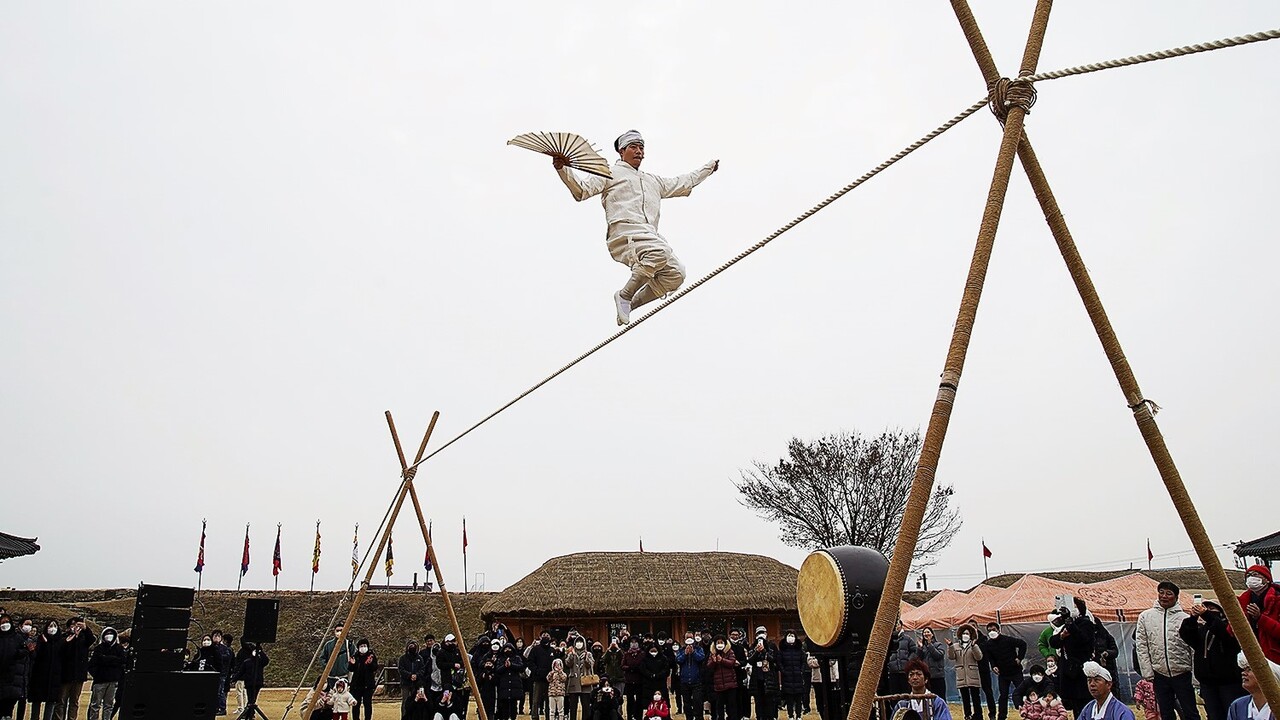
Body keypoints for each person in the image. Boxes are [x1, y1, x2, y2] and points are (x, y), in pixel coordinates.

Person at [551, 129, 720, 325]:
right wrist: (563, 169)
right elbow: (582, 190)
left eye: (641, 147)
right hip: (624, 233)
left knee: (676, 274)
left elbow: (682, 182)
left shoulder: (652, 181)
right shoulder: (609, 173)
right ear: (622, 151)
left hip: (649, 235)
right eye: (633, 147)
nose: (639, 151)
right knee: (660, 252)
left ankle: (629, 303)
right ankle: (625, 295)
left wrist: (707, 169)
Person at [1137, 581, 1198, 720]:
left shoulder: (1185, 618)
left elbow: (1193, 648)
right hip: (1159, 673)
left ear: (1176, 597)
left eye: (1169, 593)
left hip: (1183, 673)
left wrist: (1195, 676)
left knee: (1190, 712)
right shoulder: (1145, 617)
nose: (1164, 596)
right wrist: (1148, 672)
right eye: (1161, 592)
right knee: (1166, 713)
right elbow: (1142, 646)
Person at [1180, 600, 1246, 720]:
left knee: (1231, 714)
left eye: (1212, 608)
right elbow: (1187, 635)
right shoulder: (1204, 629)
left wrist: (1206, 615)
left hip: (1229, 682)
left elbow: (1224, 634)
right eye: (1206, 608)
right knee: (1214, 715)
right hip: (1207, 682)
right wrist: (1192, 618)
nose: (1208, 610)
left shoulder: (1231, 627)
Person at [1050, 600, 1101, 717]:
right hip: (1068, 669)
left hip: (1080, 668)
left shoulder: (1086, 623)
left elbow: (1083, 639)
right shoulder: (1065, 625)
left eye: (1074, 607)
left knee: (1084, 700)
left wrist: (1071, 624)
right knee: (1074, 703)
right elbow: (1053, 642)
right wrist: (1062, 636)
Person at [1235, 566, 1280, 664]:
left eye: (1255, 575)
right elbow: (1231, 632)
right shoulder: (1243, 601)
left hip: (1274, 657)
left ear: (1267, 579)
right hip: (1251, 656)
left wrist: (1260, 618)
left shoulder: (1277, 600)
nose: (1251, 578)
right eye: (1248, 575)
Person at [982, 622, 1026, 720]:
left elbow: (1023, 644)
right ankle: (1001, 717)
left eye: (993, 629)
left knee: (1021, 692)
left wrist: (1019, 658)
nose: (991, 632)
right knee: (1003, 696)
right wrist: (993, 666)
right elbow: (990, 657)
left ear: (998, 630)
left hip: (1015, 671)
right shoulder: (988, 644)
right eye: (989, 630)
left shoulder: (1008, 640)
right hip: (1003, 674)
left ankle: (1028, 713)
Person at [55, 616, 95, 720]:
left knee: (74, 701)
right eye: (73, 625)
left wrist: (86, 628)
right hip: (65, 675)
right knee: (61, 700)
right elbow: (61, 652)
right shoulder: (64, 638)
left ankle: (72, 718)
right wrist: (70, 640)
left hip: (78, 675)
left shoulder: (83, 638)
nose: (75, 627)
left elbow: (91, 639)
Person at [1227, 652, 1280, 720]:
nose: (1243, 673)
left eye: (1249, 669)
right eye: (1244, 669)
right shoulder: (1237, 706)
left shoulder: (1278, 705)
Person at [29, 621, 65, 720]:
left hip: (54, 677)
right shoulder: (40, 640)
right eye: (50, 626)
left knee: (51, 703)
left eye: (54, 626)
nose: (52, 628)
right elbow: (35, 656)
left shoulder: (61, 642)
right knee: (36, 702)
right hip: (40, 676)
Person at [949, 624, 985, 720]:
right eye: (964, 633)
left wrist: (973, 646)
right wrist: (950, 646)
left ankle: (978, 715)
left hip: (972, 674)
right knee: (965, 698)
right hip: (961, 675)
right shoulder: (956, 646)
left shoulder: (974, 645)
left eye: (967, 634)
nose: (965, 635)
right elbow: (951, 657)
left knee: (976, 697)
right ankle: (967, 715)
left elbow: (979, 657)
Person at [230, 642, 270, 716]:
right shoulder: (247, 662)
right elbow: (241, 672)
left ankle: (249, 712)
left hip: (257, 683)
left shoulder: (260, 661)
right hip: (249, 683)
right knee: (251, 699)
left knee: (253, 699)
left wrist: (261, 651)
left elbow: (266, 660)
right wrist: (233, 679)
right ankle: (250, 712)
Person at [530, 632, 563, 720]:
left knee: (549, 701)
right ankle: (534, 716)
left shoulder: (552, 650)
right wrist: (536, 671)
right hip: (538, 679)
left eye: (547, 635)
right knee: (536, 700)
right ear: (540, 637)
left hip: (550, 680)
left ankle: (549, 717)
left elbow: (557, 662)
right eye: (544, 635)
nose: (546, 637)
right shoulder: (535, 649)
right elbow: (530, 662)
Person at [707, 637, 739, 720]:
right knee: (719, 706)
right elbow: (709, 666)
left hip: (730, 683)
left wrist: (722, 660)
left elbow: (732, 662)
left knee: (732, 706)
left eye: (721, 642)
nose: (720, 644)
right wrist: (713, 662)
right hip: (718, 685)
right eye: (718, 642)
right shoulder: (712, 653)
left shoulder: (730, 652)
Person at [564, 636, 596, 720]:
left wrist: (586, 658)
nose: (579, 644)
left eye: (580, 642)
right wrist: (571, 655)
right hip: (573, 682)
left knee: (586, 707)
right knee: (573, 707)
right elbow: (567, 664)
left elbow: (590, 665)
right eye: (577, 642)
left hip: (585, 683)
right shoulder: (571, 653)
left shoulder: (588, 654)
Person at [778, 630, 806, 720]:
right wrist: (783, 671)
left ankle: (798, 715)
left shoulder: (800, 650)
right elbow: (779, 662)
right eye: (789, 635)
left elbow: (803, 662)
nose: (791, 637)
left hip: (798, 676)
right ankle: (790, 715)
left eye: (793, 635)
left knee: (798, 698)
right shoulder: (782, 650)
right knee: (789, 698)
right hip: (787, 677)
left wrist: (801, 671)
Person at [677, 635, 706, 720]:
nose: (689, 639)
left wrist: (693, 652)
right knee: (686, 703)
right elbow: (678, 660)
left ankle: (699, 718)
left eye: (690, 637)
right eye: (687, 638)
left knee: (698, 702)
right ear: (685, 639)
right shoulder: (681, 650)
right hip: (684, 681)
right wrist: (685, 654)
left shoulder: (699, 649)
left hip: (696, 681)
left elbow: (701, 658)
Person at [350, 638, 379, 720]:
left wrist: (370, 664)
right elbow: (350, 669)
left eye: (365, 646)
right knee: (356, 704)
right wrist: (353, 664)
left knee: (367, 704)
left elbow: (375, 667)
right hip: (356, 685)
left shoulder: (371, 656)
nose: (363, 648)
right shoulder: (355, 656)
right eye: (361, 646)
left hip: (368, 685)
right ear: (358, 647)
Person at [497, 642, 527, 720]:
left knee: (514, 704)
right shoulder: (500, 659)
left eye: (509, 648)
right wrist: (505, 666)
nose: (507, 650)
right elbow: (498, 670)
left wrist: (511, 665)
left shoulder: (517, 658)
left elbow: (521, 667)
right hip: (504, 684)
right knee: (505, 706)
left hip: (515, 684)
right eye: (506, 649)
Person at [916, 628, 947, 700]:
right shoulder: (923, 647)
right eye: (924, 632)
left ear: (932, 634)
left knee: (940, 697)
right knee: (928, 698)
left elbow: (938, 656)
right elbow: (918, 659)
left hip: (937, 676)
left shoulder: (938, 645)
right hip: (927, 677)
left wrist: (930, 644)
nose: (926, 634)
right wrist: (920, 648)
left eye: (928, 632)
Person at [323, 625, 357, 691]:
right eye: (337, 630)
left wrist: (350, 666)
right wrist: (327, 667)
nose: (339, 632)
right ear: (334, 632)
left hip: (344, 676)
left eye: (341, 630)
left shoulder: (349, 644)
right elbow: (322, 658)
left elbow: (354, 657)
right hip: (331, 677)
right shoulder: (328, 645)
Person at [400, 640, 427, 720]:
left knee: (416, 700)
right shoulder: (403, 658)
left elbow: (422, 669)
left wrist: (416, 676)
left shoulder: (419, 658)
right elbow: (401, 670)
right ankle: (404, 717)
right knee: (405, 701)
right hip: (405, 683)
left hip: (416, 683)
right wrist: (409, 675)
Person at [212, 629, 236, 717]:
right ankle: (215, 707)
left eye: (218, 636)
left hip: (222, 673)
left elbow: (227, 659)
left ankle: (222, 708)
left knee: (220, 691)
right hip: (212, 672)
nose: (216, 637)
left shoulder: (225, 649)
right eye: (215, 636)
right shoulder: (211, 647)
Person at [623, 640, 645, 720]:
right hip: (629, 680)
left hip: (639, 680)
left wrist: (638, 668)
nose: (634, 644)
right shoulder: (626, 654)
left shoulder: (642, 654)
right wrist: (629, 668)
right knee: (630, 700)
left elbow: (644, 665)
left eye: (635, 642)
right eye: (632, 642)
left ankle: (638, 716)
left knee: (639, 700)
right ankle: (629, 716)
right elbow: (622, 665)